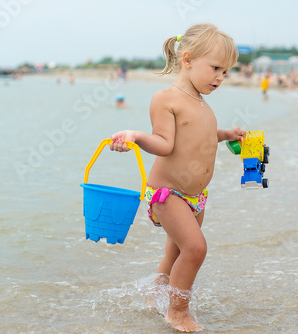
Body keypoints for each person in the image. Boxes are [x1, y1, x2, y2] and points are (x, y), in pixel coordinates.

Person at [109, 23, 244, 332]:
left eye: (225, 72)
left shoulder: (201, 103)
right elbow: (165, 144)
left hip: (196, 197)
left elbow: (203, 135)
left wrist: (227, 134)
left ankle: (154, 296)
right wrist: (136, 136)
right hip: (168, 194)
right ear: (187, 60)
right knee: (195, 249)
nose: (221, 78)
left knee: (177, 251)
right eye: (215, 68)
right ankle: (178, 311)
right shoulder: (166, 98)